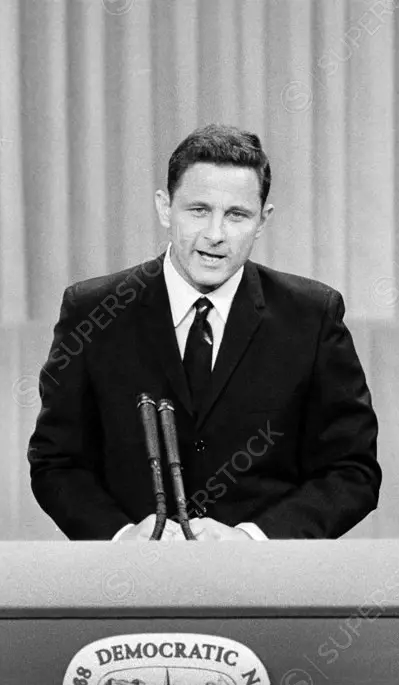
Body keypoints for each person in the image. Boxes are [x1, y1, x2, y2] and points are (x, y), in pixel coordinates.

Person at [27, 124, 380, 541]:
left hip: (263, 590)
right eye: (198, 210)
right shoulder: (92, 311)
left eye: (236, 215)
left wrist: (252, 539)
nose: (215, 235)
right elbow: (57, 462)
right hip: (129, 586)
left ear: (263, 220)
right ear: (165, 207)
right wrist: (122, 537)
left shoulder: (312, 316)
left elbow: (351, 471)